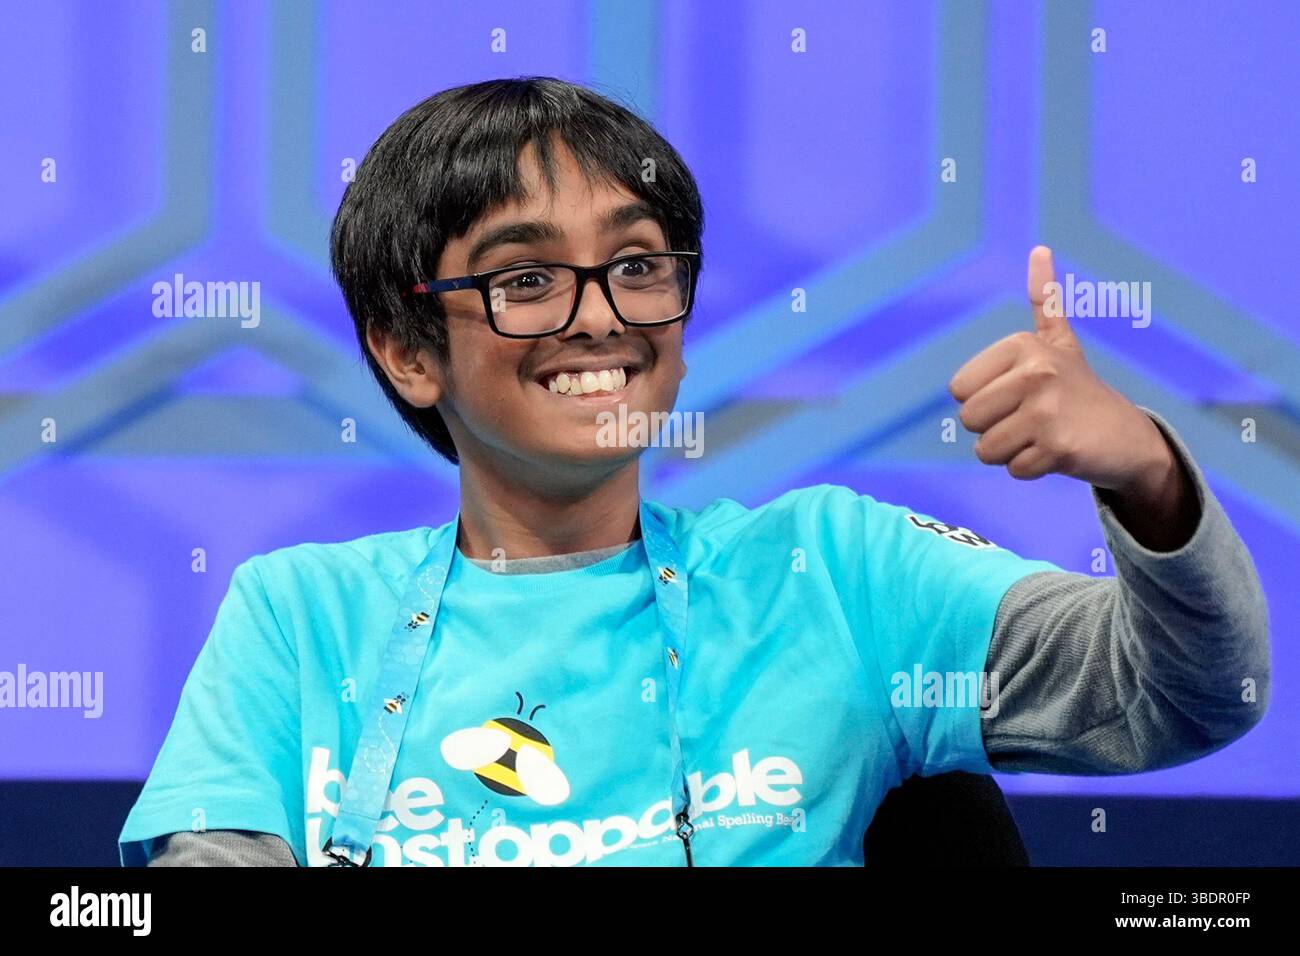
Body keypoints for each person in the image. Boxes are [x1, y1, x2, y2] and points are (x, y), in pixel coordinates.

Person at [119, 76, 1270, 867]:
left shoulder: (837, 571)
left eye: (636, 264)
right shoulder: (300, 615)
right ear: (406, 350)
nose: (600, 317)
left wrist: (1146, 474)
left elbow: (1189, 695)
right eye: (526, 279)